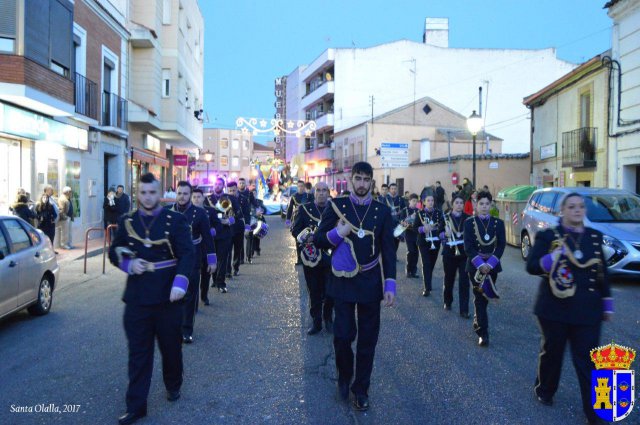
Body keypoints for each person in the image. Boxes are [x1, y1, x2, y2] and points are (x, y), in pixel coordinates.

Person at [108, 173, 194, 425]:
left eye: (152, 192)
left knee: (170, 348)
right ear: (138, 193)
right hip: (137, 297)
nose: (147, 197)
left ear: (159, 193)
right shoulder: (128, 221)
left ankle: (173, 383)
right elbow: (115, 252)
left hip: (168, 296)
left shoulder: (175, 220)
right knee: (138, 354)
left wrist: (180, 283)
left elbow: (187, 254)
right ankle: (136, 406)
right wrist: (128, 263)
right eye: (143, 193)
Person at [315, 161, 396, 411]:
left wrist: (390, 284)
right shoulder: (337, 206)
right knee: (342, 337)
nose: (361, 184)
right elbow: (318, 240)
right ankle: (344, 375)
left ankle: (361, 389)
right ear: (351, 180)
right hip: (343, 282)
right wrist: (337, 233)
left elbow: (389, 251)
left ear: (372, 181)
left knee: (367, 341)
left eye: (366, 179)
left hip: (370, 283)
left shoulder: (382, 211)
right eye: (357, 179)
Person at [526, 192, 612, 425]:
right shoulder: (548, 236)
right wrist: (552, 257)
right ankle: (545, 389)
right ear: (562, 210)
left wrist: (607, 303)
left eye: (581, 206)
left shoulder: (594, 237)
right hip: (554, 308)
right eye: (572, 206)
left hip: (587, 311)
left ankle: (597, 413)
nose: (577, 210)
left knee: (589, 360)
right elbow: (532, 266)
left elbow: (602, 272)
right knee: (552, 353)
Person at [167, 181, 216, 343]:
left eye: (185, 194)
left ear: (190, 195)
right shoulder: (168, 213)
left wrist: (211, 260)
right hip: (171, 259)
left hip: (193, 258)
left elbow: (208, 238)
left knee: (189, 295)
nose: (182, 197)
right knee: (172, 295)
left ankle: (187, 330)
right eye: (179, 193)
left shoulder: (200, 213)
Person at [463, 190, 506, 347]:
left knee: (486, 296)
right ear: (476, 204)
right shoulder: (469, 223)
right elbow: (468, 246)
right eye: (481, 203)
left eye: (487, 204)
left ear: (491, 204)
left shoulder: (498, 223)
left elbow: (501, 245)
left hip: (492, 266)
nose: (484, 207)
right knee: (480, 296)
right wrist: (481, 265)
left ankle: (478, 319)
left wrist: (490, 264)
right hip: (475, 266)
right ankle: (483, 332)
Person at [291, 182, 334, 335]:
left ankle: (328, 318)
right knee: (314, 290)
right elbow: (295, 230)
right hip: (311, 256)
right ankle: (316, 321)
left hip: (330, 256)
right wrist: (306, 236)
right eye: (319, 190)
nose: (321, 193)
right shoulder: (303, 209)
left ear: (328, 192)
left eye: (324, 190)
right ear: (314, 193)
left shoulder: (335, 209)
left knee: (330, 291)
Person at [205, 178, 240, 292]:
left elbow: (237, 214)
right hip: (212, 233)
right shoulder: (208, 199)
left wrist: (230, 220)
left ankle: (221, 283)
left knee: (223, 258)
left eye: (220, 184)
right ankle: (214, 280)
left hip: (225, 233)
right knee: (212, 258)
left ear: (223, 186)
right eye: (216, 184)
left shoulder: (231, 198)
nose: (217, 186)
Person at [441, 194, 470, 318]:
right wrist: (444, 234)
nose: (459, 205)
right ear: (452, 204)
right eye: (457, 203)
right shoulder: (445, 218)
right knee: (449, 279)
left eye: (461, 203)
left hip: (464, 254)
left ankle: (464, 310)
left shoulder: (468, 218)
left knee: (464, 282)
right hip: (449, 253)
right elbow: (438, 233)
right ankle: (447, 301)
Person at [416, 194, 444, 297]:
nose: (430, 202)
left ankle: (428, 278)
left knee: (431, 264)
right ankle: (427, 288)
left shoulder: (439, 213)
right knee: (426, 264)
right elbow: (415, 228)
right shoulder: (420, 213)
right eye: (428, 201)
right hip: (423, 242)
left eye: (432, 200)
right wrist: (423, 229)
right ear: (424, 202)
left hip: (435, 242)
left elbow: (443, 226)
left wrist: (439, 230)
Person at [285, 180, 309, 265]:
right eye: (299, 186)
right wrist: (288, 219)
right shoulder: (294, 197)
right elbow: (290, 209)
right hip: (297, 221)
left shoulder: (308, 196)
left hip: (307, 221)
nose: (300, 188)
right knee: (298, 240)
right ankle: (299, 259)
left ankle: (307, 258)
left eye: (302, 186)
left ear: (304, 187)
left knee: (308, 240)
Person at [225, 181, 246, 277]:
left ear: (236, 189)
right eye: (230, 191)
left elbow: (246, 212)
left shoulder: (243, 199)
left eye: (233, 190)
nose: (232, 192)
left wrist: (248, 224)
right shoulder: (224, 199)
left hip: (239, 227)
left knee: (238, 249)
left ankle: (236, 267)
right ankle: (228, 270)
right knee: (228, 250)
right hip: (228, 228)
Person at [238, 177, 259, 264]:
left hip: (248, 218)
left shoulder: (249, 194)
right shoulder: (235, 194)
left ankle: (249, 255)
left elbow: (255, 203)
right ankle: (241, 258)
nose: (241, 184)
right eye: (240, 183)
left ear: (245, 184)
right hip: (238, 219)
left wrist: (258, 209)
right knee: (239, 239)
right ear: (238, 184)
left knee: (249, 237)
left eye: (243, 183)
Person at [399, 194, 420, 278]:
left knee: (416, 253)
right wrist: (406, 220)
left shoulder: (419, 211)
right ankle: (408, 270)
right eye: (413, 201)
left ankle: (414, 271)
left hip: (417, 234)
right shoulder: (405, 210)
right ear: (409, 201)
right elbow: (401, 220)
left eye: (416, 201)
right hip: (408, 233)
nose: (415, 203)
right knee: (410, 251)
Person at [384, 183, 406, 255]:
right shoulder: (385, 198)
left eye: (395, 189)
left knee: (397, 240)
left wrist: (401, 212)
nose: (393, 190)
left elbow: (404, 209)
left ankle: (394, 254)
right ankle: (389, 254)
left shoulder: (401, 199)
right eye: (392, 189)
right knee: (389, 240)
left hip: (398, 223)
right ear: (389, 189)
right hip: (388, 223)